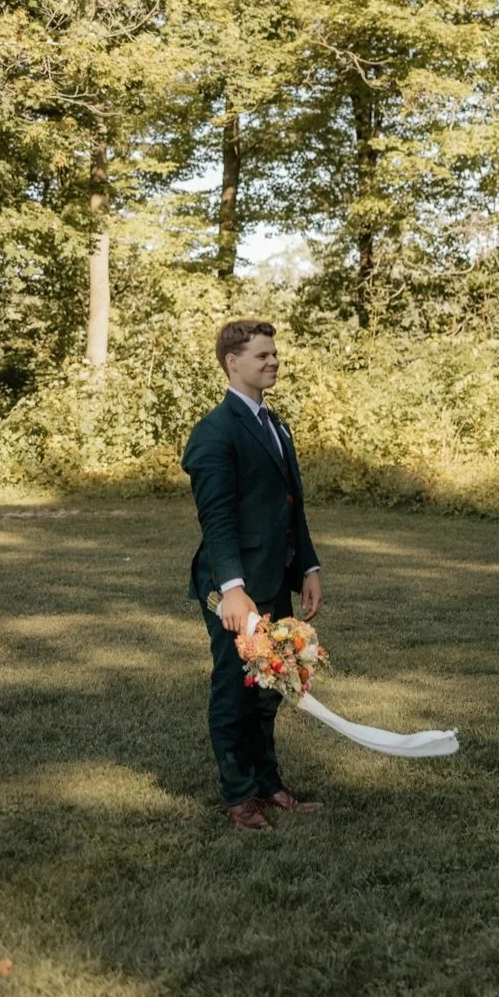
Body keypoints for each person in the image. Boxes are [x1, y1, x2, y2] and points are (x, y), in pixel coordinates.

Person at [183, 320, 324, 831]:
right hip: (233, 588)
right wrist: (233, 591)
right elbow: (216, 519)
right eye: (261, 355)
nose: (272, 361)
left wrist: (307, 566)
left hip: (274, 578)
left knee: (270, 688)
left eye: (274, 354)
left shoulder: (277, 425)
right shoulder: (214, 432)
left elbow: (293, 506)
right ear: (232, 362)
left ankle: (269, 784)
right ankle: (239, 796)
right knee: (235, 688)